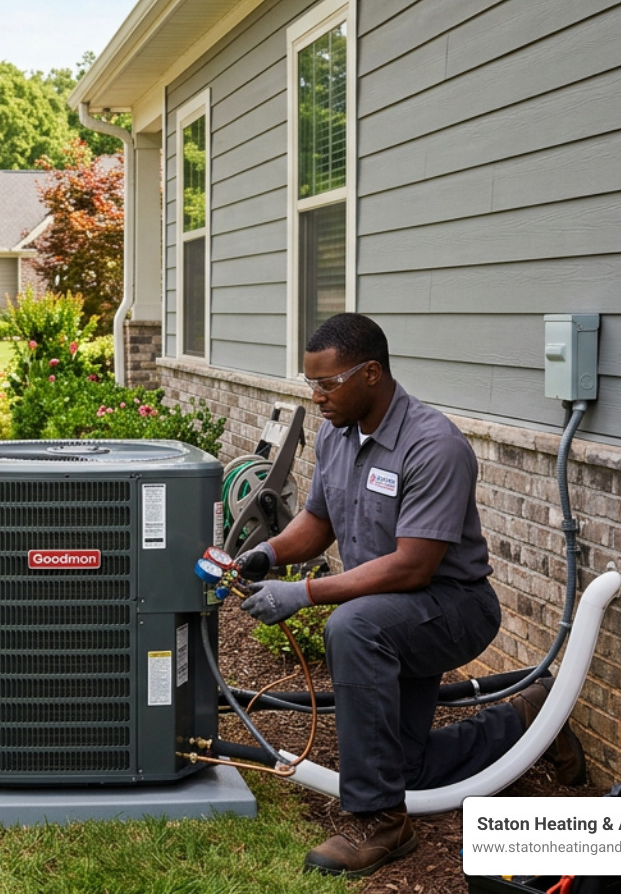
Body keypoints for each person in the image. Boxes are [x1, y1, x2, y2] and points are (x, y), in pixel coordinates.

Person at [235, 312, 586, 877]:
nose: (317, 397)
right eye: (311, 384)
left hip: (453, 608)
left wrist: (302, 592)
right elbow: (318, 520)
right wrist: (268, 554)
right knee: (407, 766)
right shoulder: (336, 433)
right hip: (390, 611)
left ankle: (381, 823)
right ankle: (526, 719)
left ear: (371, 374)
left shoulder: (433, 445)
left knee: (351, 627)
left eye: (327, 384)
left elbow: (413, 567)